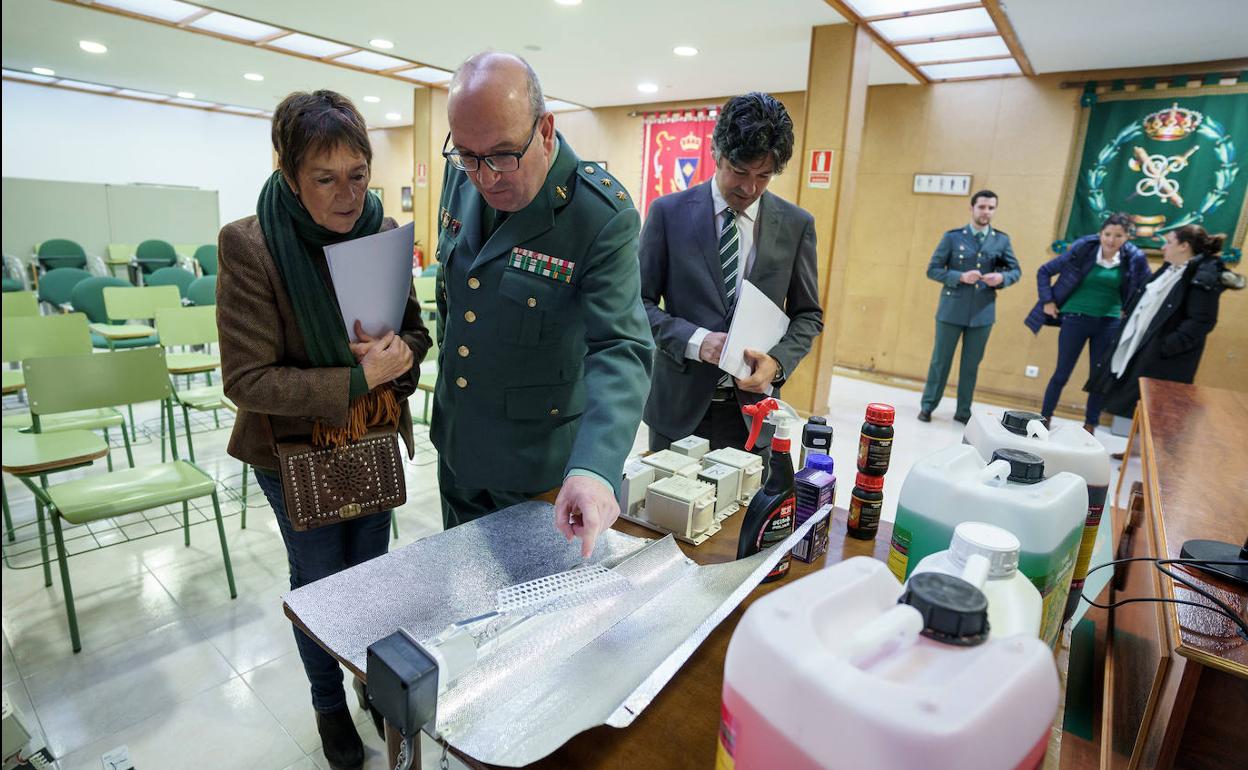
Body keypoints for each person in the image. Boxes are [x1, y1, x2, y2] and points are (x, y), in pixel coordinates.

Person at [217, 90, 431, 770]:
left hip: (368, 438)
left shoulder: (379, 231)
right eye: (325, 178)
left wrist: (399, 361)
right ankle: (328, 703)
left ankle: (370, 679)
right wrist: (354, 380)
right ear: (288, 174)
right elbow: (247, 380)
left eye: (358, 174)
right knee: (320, 584)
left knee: (369, 577)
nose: (348, 195)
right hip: (291, 455)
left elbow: (416, 335)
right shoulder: (251, 245)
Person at [432, 52, 654, 555]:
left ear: (546, 129)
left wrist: (595, 467)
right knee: (459, 606)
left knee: (531, 617)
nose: (486, 177)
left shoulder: (597, 215)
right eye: (468, 156)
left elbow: (621, 347)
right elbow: (459, 302)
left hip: (538, 470)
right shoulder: (459, 175)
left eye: (504, 155)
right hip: (459, 452)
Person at [640, 92, 822, 452]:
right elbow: (636, 304)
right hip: (677, 409)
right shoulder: (667, 214)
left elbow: (808, 315)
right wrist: (695, 340)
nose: (749, 188)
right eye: (739, 172)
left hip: (754, 414)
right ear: (716, 152)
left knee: (751, 509)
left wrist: (778, 364)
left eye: (764, 176)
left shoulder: (796, 225)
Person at [1086, 225, 1243, 431]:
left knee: (1158, 410)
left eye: (1169, 242)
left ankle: (1142, 455)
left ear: (1184, 246)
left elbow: (1201, 321)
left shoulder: (1203, 275)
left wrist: (1166, 347)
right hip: (1146, 348)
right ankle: (1132, 452)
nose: (1163, 247)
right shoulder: (1170, 269)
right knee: (1139, 402)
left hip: (1166, 356)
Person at [1025, 213, 1151, 432]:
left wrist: (1128, 310)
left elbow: (1146, 288)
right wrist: (1047, 301)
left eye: (1118, 236)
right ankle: (1044, 418)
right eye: (1107, 234)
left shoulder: (1134, 258)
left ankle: (1091, 423)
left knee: (1099, 376)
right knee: (1062, 373)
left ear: (1127, 238)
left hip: (1109, 322)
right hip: (1076, 318)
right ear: (1100, 234)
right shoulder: (1084, 249)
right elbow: (1044, 271)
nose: (1111, 240)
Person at [918, 190, 1021, 423]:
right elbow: (933, 269)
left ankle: (963, 411)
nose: (986, 212)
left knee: (971, 365)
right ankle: (928, 406)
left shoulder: (1001, 240)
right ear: (972, 208)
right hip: (951, 310)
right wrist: (960, 276)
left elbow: (1016, 270)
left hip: (982, 312)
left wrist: (1002, 279)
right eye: (982, 207)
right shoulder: (953, 237)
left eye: (991, 208)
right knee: (940, 361)